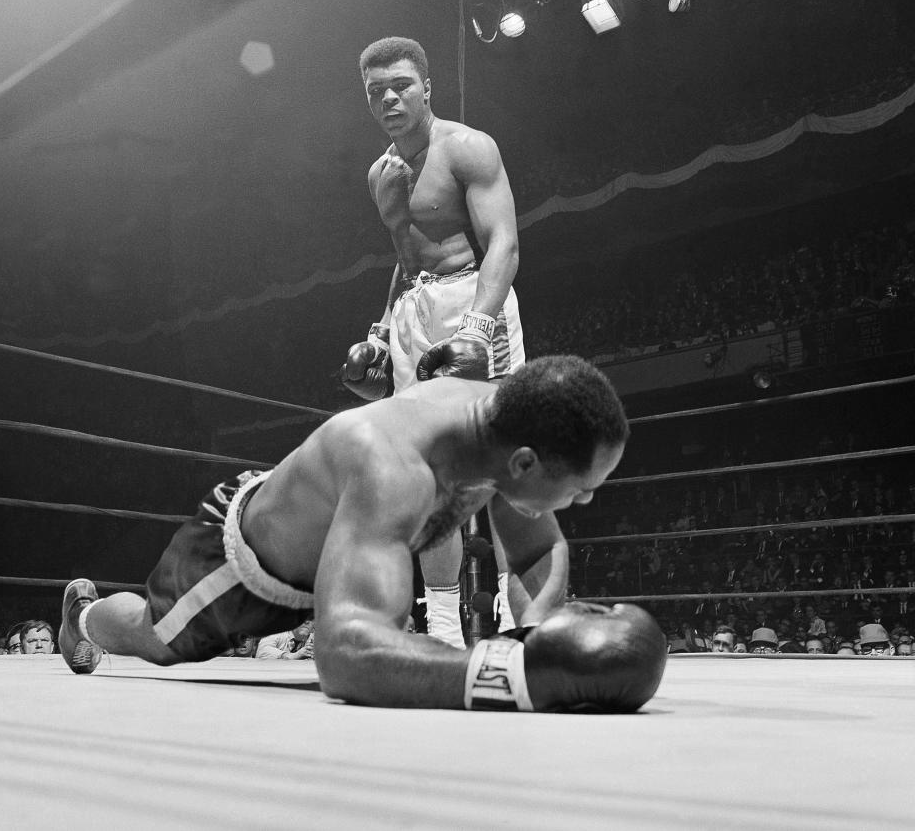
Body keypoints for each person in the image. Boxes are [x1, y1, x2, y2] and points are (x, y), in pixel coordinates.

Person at [59, 356, 667, 712]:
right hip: (245, 566)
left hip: (338, 550)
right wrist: (513, 675)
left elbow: (540, 548)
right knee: (154, 637)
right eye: (581, 487)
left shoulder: (503, 425)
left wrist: (534, 635)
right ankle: (81, 620)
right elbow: (345, 658)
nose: (584, 501)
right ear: (527, 464)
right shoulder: (394, 466)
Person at [340, 36, 525, 648]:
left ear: (427, 88)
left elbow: (504, 243)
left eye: (400, 86)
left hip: (476, 299)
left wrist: (478, 326)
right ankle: (442, 631)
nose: (388, 98)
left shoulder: (468, 148)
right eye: (375, 92)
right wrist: (381, 324)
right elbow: (409, 256)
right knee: (426, 472)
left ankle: (517, 618)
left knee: (504, 458)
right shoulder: (380, 173)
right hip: (414, 310)